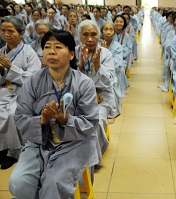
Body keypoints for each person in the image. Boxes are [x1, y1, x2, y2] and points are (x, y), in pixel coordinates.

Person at [9, 29, 99, 199]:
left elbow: (91, 121)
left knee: (53, 184)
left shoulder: (84, 84)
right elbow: (21, 117)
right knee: (19, 183)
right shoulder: (33, 82)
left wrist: (66, 120)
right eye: (47, 47)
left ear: (71, 54)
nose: (51, 51)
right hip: (39, 141)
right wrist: (41, 120)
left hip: (73, 142)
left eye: (58, 47)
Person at [0, 16, 41, 170]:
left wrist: (11, 67)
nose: (6, 34)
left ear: (21, 33)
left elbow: (33, 80)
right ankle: (2, 147)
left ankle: (14, 151)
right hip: (4, 90)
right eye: (3, 31)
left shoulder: (29, 53)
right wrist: (1, 71)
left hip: (23, 93)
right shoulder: (1, 51)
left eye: (11, 31)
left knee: (11, 114)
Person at [76, 19, 115, 165]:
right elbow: (67, 79)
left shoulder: (105, 54)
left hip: (101, 97)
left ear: (99, 36)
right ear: (79, 36)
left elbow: (110, 81)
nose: (90, 39)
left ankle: (92, 158)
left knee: (95, 121)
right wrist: (80, 66)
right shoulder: (73, 52)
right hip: (77, 97)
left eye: (93, 34)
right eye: (85, 35)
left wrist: (98, 66)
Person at [100, 21, 123, 121]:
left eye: (111, 29)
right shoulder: (97, 44)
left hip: (113, 74)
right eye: (106, 29)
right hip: (99, 73)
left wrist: (106, 51)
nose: (108, 32)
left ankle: (112, 112)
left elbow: (117, 65)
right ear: (101, 31)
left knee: (110, 86)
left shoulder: (117, 46)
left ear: (114, 32)